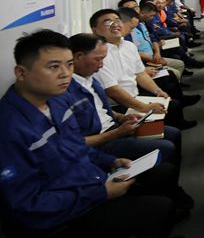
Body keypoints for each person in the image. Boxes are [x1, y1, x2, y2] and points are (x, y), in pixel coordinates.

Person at [0, 30, 181, 238]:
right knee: (160, 208)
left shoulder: (54, 103)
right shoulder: (10, 130)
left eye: (69, 65)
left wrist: (111, 161)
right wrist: (101, 193)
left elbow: (75, 147)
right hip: (61, 213)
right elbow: (26, 207)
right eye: (53, 67)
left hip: (87, 180)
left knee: (163, 173)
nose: (65, 74)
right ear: (21, 73)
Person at [66, 33, 182, 165]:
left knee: (174, 134)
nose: (101, 65)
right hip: (102, 139)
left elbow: (100, 109)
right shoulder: (67, 91)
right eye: (98, 59)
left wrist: (121, 117)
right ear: (78, 57)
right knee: (166, 148)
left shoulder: (89, 79)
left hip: (114, 126)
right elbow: (75, 141)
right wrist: (118, 132)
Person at [90, 9, 197, 130]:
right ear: (95, 30)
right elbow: (113, 91)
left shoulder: (129, 46)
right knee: (170, 113)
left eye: (117, 20)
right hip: (118, 105)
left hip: (135, 94)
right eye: (107, 22)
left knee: (171, 102)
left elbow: (140, 74)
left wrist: (157, 91)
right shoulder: (98, 55)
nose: (115, 24)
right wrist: (143, 107)